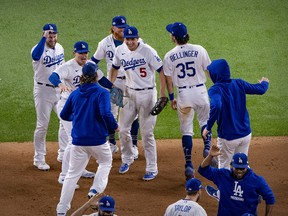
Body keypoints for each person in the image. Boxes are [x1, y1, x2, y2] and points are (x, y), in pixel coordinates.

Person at [56, 62, 119, 215]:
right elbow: (105, 114)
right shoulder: (102, 92)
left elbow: (64, 115)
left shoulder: (75, 93)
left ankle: (61, 210)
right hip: (97, 140)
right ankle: (95, 191)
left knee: (71, 175)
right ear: (97, 75)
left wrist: (79, 117)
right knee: (105, 162)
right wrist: (114, 126)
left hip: (78, 141)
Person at [109, 26, 166, 181]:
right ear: (124, 39)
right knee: (122, 129)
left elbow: (162, 71)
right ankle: (127, 158)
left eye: (133, 39)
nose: (130, 42)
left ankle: (152, 168)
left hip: (148, 94)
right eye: (128, 39)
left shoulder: (148, 51)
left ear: (137, 38)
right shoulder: (120, 50)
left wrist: (162, 93)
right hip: (129, 93)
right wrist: (110, 85)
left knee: (147, 134)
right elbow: (114, 68)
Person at [163, 22, 216, 180]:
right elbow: (209, 71)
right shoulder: (200, 49)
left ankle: (188, 165)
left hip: (183, 95)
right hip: (200, 91)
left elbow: (168, 79)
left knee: (186, 130)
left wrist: (172, 98)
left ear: (174, 37)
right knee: (205, 122)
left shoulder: (169, 55)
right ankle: (207, 148)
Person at [49, 41, 103, 186]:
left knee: (73, 140)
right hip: (67, 106)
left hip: (80, 108)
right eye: (80, 53)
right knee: (74, 140)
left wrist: (114, 87)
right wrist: (60, 84)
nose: (83, 55)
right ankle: (64, 175)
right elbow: (53, 76)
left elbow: (102, 79)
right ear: (74, 53)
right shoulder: (68, 66)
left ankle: (79, 168)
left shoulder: (90, 65)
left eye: (85, 53)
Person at [202, 59, 270, 169]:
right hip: (245, 134)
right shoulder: (239, 83)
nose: (208, 74)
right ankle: (243, 186)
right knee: (241, 167)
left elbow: (217, 105)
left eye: (210, 72)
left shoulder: (215, 90)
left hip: (228, 138)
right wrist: (265, 82)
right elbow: (261, 89)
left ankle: (224, 187)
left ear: (216, 74)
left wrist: (208, 127)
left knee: (224, 169)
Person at [91, 15, 140, 159]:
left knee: (133, 114)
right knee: (110, 112)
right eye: (120, 27)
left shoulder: (133, 40)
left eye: (125, 27)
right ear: (113, 28)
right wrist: (99, 78)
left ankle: (133, 145)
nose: (123, 30)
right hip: (114, 82)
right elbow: (93, 61)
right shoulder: (105, 43)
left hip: (131, 82)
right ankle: (112, 143)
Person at [198, 144, 275, 216]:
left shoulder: (257, 180)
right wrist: (210, 156)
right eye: (237, 168)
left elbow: (270, 198)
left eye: (242, 168)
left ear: (247, 166)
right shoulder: (223, 175)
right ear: (231, 166)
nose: (239, 171)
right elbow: (203, 170)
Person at [31, 23, 67, 170]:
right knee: (42, 125)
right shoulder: (37, 48)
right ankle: (39, 158)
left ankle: (63, 153)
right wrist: (43, 39)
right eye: (49, 36)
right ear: (44, 35)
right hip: (43, 92)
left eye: (54, 35)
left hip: (59, 90)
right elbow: (35, 56)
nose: (52, 38)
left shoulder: (60, 48)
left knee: (65, 120)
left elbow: (63, 68)